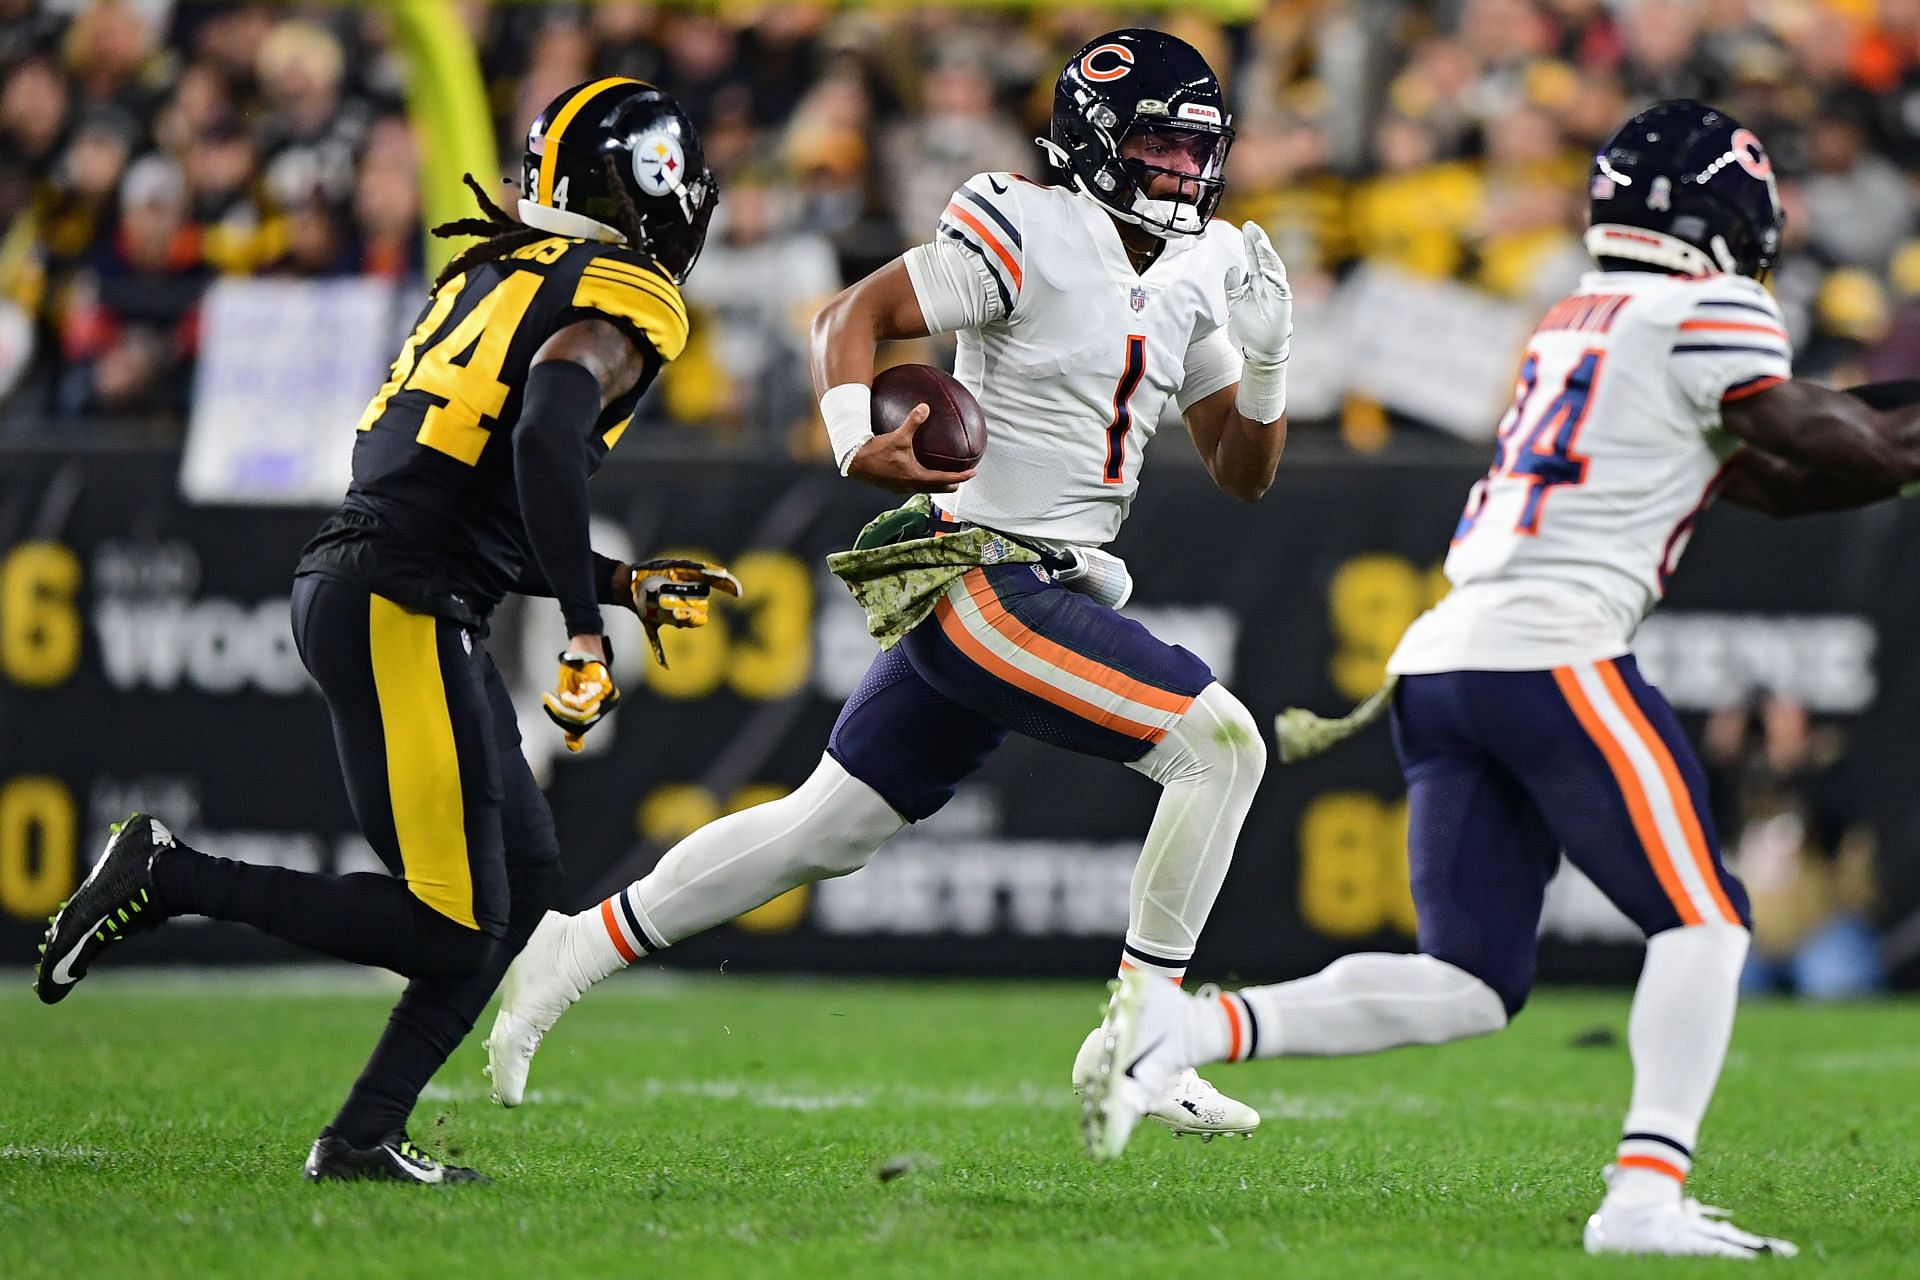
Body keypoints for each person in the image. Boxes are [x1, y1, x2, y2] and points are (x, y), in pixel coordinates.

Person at [1082, 101, 1920, 1257]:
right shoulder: (1704, 304)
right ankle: (1642, 1194)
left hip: (1445, 656)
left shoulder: (1587, 315)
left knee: (1470, 976)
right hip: (1551, 648)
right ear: (1728, 208)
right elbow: (1832, 443)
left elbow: (1785, 475)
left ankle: (1182, 1029)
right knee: (1707, 920)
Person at [486, 29, 1294, 1143]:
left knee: (825, 828)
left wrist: (1267, 362)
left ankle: (573, 944)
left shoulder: (1194, 272)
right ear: (1097, 141)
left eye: (1196, 150)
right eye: (1158, 145)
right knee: (1223, 746)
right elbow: (850, 318)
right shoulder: (1027, 224)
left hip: (1049, 583)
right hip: (986, 576)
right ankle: (1141, 1034)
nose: (1182, 172)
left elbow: (1243, 473)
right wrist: (850, 435)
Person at [34, 78, 734, 1184]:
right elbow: (545, 443)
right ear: (649, 188)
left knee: (520, 873)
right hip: (400, 602)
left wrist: (609, 576)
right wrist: (589, 630)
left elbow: (480, 490)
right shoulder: (619, 295)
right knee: (454, 921)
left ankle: (365, 1133)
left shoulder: (499, 269)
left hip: (375, 584)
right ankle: (169, 876)